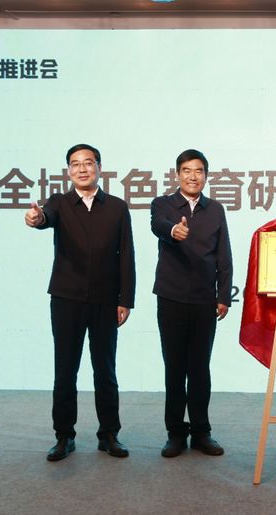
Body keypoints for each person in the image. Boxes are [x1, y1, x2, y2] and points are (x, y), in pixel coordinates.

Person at [25, 143, 136, 462]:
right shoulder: (59, 203)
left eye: (88, 163)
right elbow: (44, 217)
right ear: (69, 171)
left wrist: (125, 299)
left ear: (99, 168)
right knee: (65, 370)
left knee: (106, 371)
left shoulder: (116, 207)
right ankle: (64, 436)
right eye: (75, 164)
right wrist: (36, 218)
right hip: (66, 299)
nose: (82, 169)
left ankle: (109, 435)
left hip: (105, 301)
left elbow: (126, 255)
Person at [150, 148, 232, 458]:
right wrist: (174, 230)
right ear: (177, 174)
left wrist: (223, 296)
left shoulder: (215, 209)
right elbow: (158, 224)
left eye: (198, 171)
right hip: (171, 297)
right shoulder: (163, 204)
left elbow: (224, 255)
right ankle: (175, 433)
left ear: (206, 176)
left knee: (200, 369)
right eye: (187, 170)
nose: (193, 176)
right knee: (174, 367)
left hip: (203, 300)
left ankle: (201, 432)